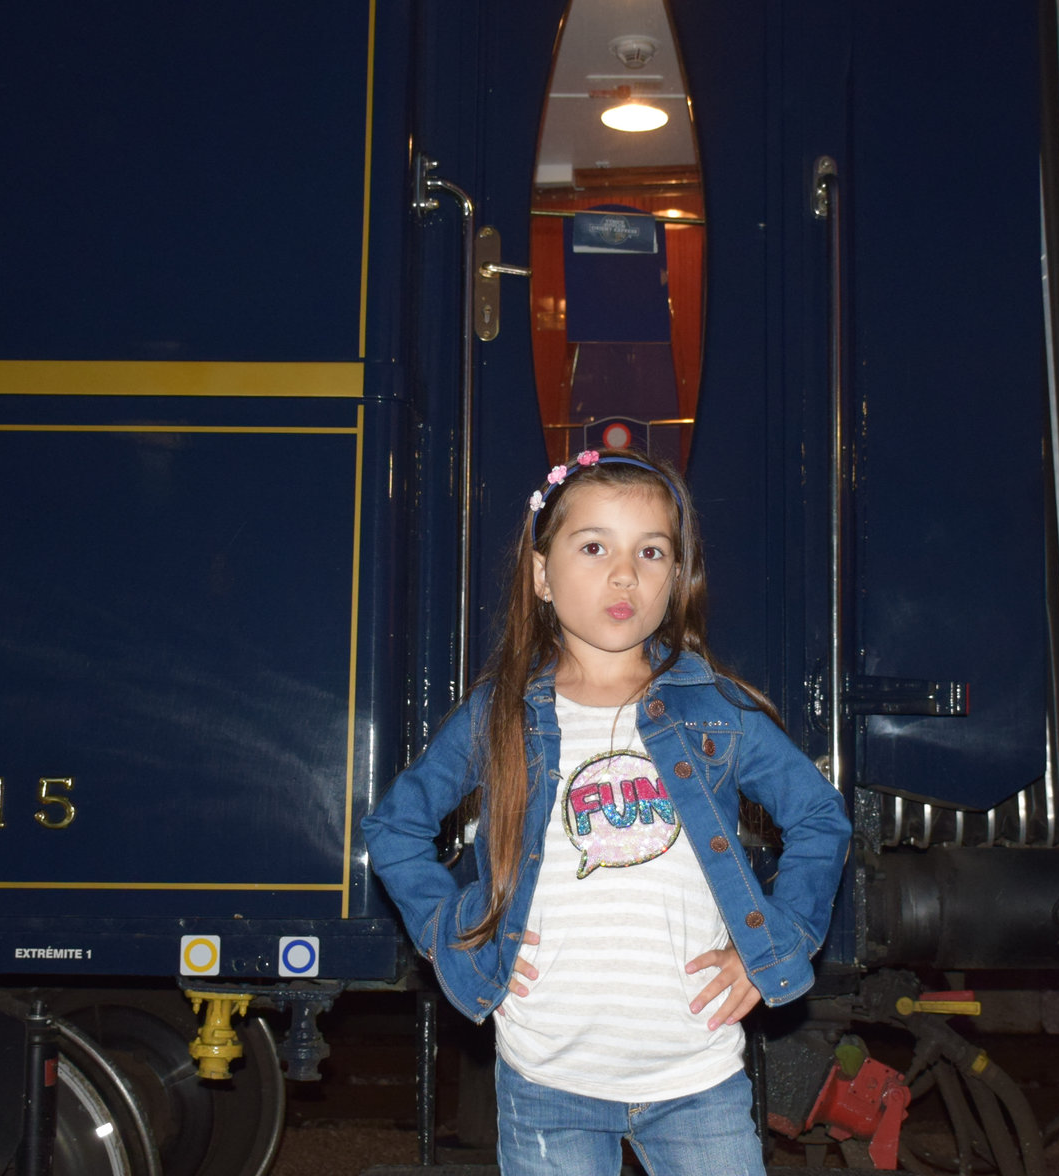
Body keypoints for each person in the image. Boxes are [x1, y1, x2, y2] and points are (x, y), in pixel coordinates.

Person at [363, 448, 851, 1176]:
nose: (625, 575)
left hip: (696, 1073)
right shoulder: (500, 713)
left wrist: (775, 945)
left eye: (651, 552)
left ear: (676, 578)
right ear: (541, 575)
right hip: (546, 1076)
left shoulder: (716, 710)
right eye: (594, 547)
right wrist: (454, 933)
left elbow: (819, 820)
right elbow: (395, 828)